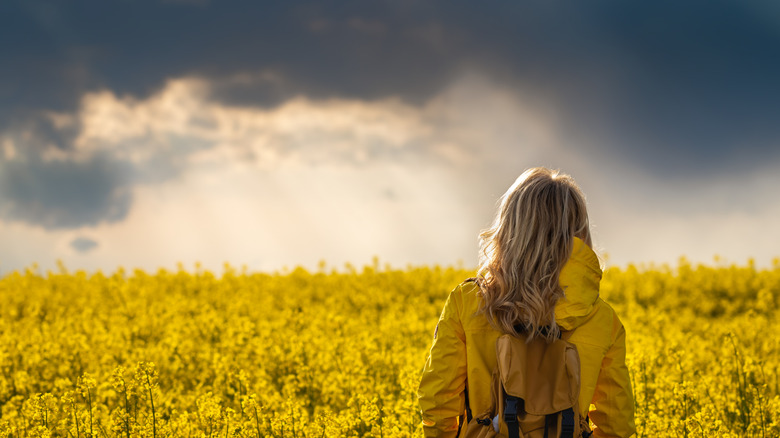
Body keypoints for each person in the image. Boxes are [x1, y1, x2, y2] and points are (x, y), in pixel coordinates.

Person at [418, 167, 636, 438]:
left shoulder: (467, 302)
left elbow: (438, 400)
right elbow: (617, 424)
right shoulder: (603, 319)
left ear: (510, 227)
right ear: (579, 231)